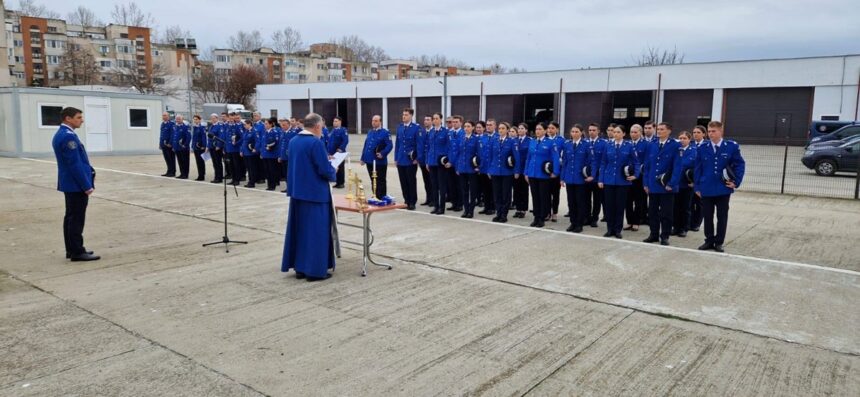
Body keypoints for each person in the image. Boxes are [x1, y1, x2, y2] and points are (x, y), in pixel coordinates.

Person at [281, 113, 337, 282]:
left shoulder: (294, 141)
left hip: (298, 193)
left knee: (300, 232)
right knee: (316, 233)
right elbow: (324, 169)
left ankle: (300, 267)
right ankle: (314, 271)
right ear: (317, 126)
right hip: (315, 194)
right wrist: (333, 170)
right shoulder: (315, 142)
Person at [52, 107, 99, 261]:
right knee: (76, 219)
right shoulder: (67, 137)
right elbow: (75, 164)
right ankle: (77, 251)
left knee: (71, 217)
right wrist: (86, 185)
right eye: (78, 117)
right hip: (75, 184)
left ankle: (72, 249)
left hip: (70, 183)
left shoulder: (65, 134)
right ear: (68, 119)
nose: (82, 120)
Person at [695, 121, 745, 252]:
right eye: (709, 131)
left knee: (722, 216)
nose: (711, 134)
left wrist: (736, 181)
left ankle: (719, 242)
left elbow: (740, 164)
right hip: (706, 187)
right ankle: (709, 240)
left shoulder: (731, 146)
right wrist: (697, 187)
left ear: (721, 131)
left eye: (714, 131)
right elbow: (697, 168)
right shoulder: (702, 147)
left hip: (723, 188)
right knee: (707, 216)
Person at [642, 122, 682, 246]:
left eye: (662, 129)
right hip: (653, 185)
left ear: (669, 131)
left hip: (667, 186)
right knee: (653, 212)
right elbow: (647, 166)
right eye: (658, 129)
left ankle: (665, 236)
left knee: (666, 213)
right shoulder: (651, 144)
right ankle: (653, 234)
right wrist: (646, 183)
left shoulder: (675, 145)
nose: (659, 131)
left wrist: (672, 183)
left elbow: (678, 166)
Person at [598, 125, 640, 238]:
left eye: (618, 132)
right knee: (609, 206)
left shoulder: (629, 146)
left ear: (623, 134)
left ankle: (617, 230)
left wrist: (636, 175)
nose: (615, 134)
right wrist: (600, 179)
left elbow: (636, 162)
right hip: (609, 180)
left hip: (622, 181)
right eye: (614, 132)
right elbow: (603, 163)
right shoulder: (608, 145)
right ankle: (609, 229)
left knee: (620, 206)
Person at [523, 123, 560, 228]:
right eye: (536, 129)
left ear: (545, 131)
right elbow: (528, 158)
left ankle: (542, 218)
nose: (537, 131)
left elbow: (555, 158)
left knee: (543, 197)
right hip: (532, 173)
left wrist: (555, 172)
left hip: (543, 174)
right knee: (535, 197)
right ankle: (536, 216)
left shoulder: (550, 143)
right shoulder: (532, 142)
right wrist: (526, 172)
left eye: (540, 129)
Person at [559, 124, 593, 233]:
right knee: (571, 202)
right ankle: (572, 222)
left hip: (581, 179)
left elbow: (592, 161)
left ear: (581, 133)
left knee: (580, 202)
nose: (574, 134)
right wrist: (562, 178)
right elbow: (565, 162)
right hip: (569, 177)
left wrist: (591, 175)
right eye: (572, 132)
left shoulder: (586, 145)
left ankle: (579, 224)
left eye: (576, 131)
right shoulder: (567, 144)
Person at [488, 122, 517, 223]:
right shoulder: (494, 141)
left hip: (506, 172)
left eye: (503, 128)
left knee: (506, 194)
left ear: (507, 130)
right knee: (497, 194)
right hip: (495, 171)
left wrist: (516, 171)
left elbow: (516, 157)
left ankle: (504, 214)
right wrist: (489, 170)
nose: (500, 130)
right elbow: (491, 156)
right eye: (499, 128)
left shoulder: (511, 142)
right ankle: (498, 213)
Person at [359, 115, 393, 199]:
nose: (373, 122)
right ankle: (375, 194)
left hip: (379, 161)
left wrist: (383, 153)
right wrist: (363, 158)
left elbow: (390, 145)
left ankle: (381, 196)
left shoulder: (385, 132)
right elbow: (366, 145)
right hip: (369, 160)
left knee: (380, 180)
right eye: (373, 120)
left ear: (380, 122)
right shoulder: (370, 132)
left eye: (376, 121)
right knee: (372, 179)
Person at [452, 120, 480, 218]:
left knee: (472, 191)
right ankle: (466, 209)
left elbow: (479, 154)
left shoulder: (476, 139)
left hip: (472, 169)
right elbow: (458, 153)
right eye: (465, 126)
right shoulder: (461, 138)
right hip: (462, 168)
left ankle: (471, 210)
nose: (466, 128)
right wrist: (457, 167)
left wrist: (477, 167)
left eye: (468, 126)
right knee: (464, 190)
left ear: (473, 128)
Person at [673, 130, 697, 237]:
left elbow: (697, 167)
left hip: (687, 184)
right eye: (680, 138)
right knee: (675, 206)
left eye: (684, 138)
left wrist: (694, 181)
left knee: (686, 207)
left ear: (689, 139)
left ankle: (684, 228)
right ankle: (675, 227)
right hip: (676, 183)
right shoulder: (676, 150)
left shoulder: (694, 151)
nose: (682, 140)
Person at [394, 108, 420, 210]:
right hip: (401, 159)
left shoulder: (416, 128)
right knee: (403, 181)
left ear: (411, 116)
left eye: (406, 115)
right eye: (403, 114)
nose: (404, 116)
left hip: (410, 160)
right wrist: (396, 158)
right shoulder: (400, 127)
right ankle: (406, 200)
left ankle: (412, 202)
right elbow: (398, 144)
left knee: (411, 181)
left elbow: (419, 144)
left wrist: (417, 158)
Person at [625, 124, 648, 231]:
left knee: (639, 201)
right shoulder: (627, 144)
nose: (633, 134)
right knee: (627, 200)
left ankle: (636, 221)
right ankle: (629, 221)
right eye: (631, 132)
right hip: (628, 176)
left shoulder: (646, 144)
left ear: (640, 132)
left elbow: (647, 161)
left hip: (640, 177)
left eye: (635, 132)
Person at [426, 113, 449, 215]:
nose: (435, 120)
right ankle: (436, 206)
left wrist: (447, 160)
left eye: (436, 118)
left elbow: (449, 147)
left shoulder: (445, 132)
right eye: (433, 119)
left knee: (442, 186)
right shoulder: (431, 132)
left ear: (441, 120)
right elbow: (428, 147)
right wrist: (427, 161)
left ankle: (442, 207)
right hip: (431, 162)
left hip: (440, 163)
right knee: (434, 185)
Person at [585, 123, 606, 227]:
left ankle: (594, 219)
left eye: (594, 130)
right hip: (586, 176)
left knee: (597, 199)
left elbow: (604, 161)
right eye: (590, 130)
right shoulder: (584, 142)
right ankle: (587, 217)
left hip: (597, 176)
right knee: (586, 199)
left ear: (598, 131)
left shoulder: (603, 143)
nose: (591, 132)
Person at [689, 125, 707, 231]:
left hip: (701, 180)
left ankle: (697, 224)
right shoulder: (690, 145)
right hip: (690, 179)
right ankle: (690, 222)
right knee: (690, 203)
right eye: (694, 132)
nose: (695, 134)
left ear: (704, 134)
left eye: (698, 132)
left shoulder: (707, 145)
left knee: (700, 204)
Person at [546, 122, 565, 222]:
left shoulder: (561, 140)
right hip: (545, 170)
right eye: (549, 128)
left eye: (552, 128)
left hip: (556, 171)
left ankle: (554, 213)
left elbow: (563, 155)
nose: (550, 130)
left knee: (555, 193)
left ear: (557, 129)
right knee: (546, 193)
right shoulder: (545, 140)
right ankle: (547, 212)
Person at [512, 123, 531, 218]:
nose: (520, 130)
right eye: (518, 128)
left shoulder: (529, 141)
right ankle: (518, 208)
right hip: (515, 169)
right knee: (516, 190)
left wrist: (526, 171)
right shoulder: (514, 140)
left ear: (526, 130)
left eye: (522, 128)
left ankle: (523, 209)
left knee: (524, 190)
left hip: (524, 169)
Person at [446, 116, 465, 211]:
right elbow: (448, 148)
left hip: (458, 163)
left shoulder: (463, 133)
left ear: (461, 123)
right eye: (453, 122)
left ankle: (460, 204)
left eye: (456, 122)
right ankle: (454, 203)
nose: (454, 123)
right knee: (451, 184)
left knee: (459, 185)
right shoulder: (450, 133)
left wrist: (454, 162)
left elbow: (460, 151)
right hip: (450, 163)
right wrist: (448, 161)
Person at [478, 120, 496, 214]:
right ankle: (486, 206)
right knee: (485, 189)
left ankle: (493, 207)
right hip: (483, 167)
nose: (488, 127)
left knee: (492, 189)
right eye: (487, 125)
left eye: (490, 125)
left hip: (492, 168)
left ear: (494, 126)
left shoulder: (497, 137)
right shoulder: (483, 137)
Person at [327, 117, 349, 188]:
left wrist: (341, 148)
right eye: (334, 121)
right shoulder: (332, 131)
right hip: (332, 153)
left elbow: (345, 140)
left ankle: (341, 183)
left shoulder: (343, 130)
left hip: (339, 153)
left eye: (336, 121)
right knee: (334, 167)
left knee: (340, 168)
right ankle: (337, 182)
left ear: (340, 122)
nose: (334, 122)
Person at [277, 118, 298, 193]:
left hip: (290, 156)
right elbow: (280, 145)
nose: (282, 126)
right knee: (285, 172)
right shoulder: (282, 132)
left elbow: (295, 145)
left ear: (289, 125)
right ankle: (288, 187)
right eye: (282, 125)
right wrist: (279, 155)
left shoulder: (293, 132)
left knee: (290, 173)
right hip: (283, 156)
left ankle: (292, 187)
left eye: (284, 125)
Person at [417, 115, 433, 206]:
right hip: (422, 161)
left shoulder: (434, 131)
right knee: (426, 181)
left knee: (432, 181)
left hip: (431, 161)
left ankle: (434, 200)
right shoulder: (421, 132)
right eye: (425, 120)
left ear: (432, 121)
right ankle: (428, 198)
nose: (426, 121)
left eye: (428, 120)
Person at [261, 117, 281, 191]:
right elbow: (262, 143)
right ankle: (269, 185)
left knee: (272, 170)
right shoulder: (265, 132)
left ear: (271, 124)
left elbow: (276, 142)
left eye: (266, 124)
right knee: (267, 170)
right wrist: (262, 152)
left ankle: (272, 185)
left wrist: (270, 147)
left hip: (272, 154)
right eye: (265, 124)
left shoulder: (274, 132)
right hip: (265, 154)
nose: (265, 125)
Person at [239, 119, 259, 188]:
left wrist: (255, 149)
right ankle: (250, 181)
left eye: (245, 124)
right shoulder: (246, 131)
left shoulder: (254, 131)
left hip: (250, 152)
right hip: (245, 152)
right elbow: (243, 142)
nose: (244, 126)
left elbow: (257, 141)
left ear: (249, 124)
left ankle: (252, 182)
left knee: (252, 168)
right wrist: (241, 151)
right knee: (248, 168)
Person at [225, 113, 243, 185]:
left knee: (236, 165)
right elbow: (225, 138)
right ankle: (233, 178)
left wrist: (237, 142)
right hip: (228, 149)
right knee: (230, 165)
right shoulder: (226, 126)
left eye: (233, 119)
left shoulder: (237, 127)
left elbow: (242, 137)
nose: (231, 120)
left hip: (235, 149)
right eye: (230, 118)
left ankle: (237, 180)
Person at [172, 114, 191, 179]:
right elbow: (174, 137)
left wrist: (185, 145)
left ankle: (185, 174)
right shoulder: (175, 127)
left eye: (179, 119)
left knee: (185, 162)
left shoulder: (185, 127)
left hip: (183, 148)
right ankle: (182, 173)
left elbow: (188, 137)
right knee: (180, 161)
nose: (177, 120)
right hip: (177, 148)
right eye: (177, 119)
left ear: (182, 119)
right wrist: (174, 147)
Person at [207, 114, 224, 183]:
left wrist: (219, 146)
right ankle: (216, 176)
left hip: (216, 147)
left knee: (218, 162)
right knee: (214, 163)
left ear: (217, 118)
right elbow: (209, 137)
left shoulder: (219, 126)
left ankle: (219, 177)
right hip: (212, 147)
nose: (212, 120)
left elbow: (221, 136)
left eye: (214, 118)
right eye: (211, 118)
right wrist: (208, 146)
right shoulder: (211, 126)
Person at [159, 112, 176, 177]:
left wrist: (170, 143)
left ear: (168, 117)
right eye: (163, 115)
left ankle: (172, 172)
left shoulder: (171, 124)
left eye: (165, 115)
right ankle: (169, 171)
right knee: (167, 159)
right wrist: (160, 144)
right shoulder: (162, 124)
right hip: (163, 145)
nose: (164, 117)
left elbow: (172, 134)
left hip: (169, 145)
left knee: (171, 159)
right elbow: (161, 135)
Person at [191, 115, 207, 181]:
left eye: (196, 119)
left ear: (200, 120)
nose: (195, 121)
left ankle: (202, 175)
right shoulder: (195, 127)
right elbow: (193, 138)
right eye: (194, 119)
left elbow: (204, 137)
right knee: (198, 162)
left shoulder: (202, 128)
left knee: (201, 162)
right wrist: (192, 146)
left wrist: (204, 146)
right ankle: (199, 174)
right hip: (195, 147)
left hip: (200, 147)